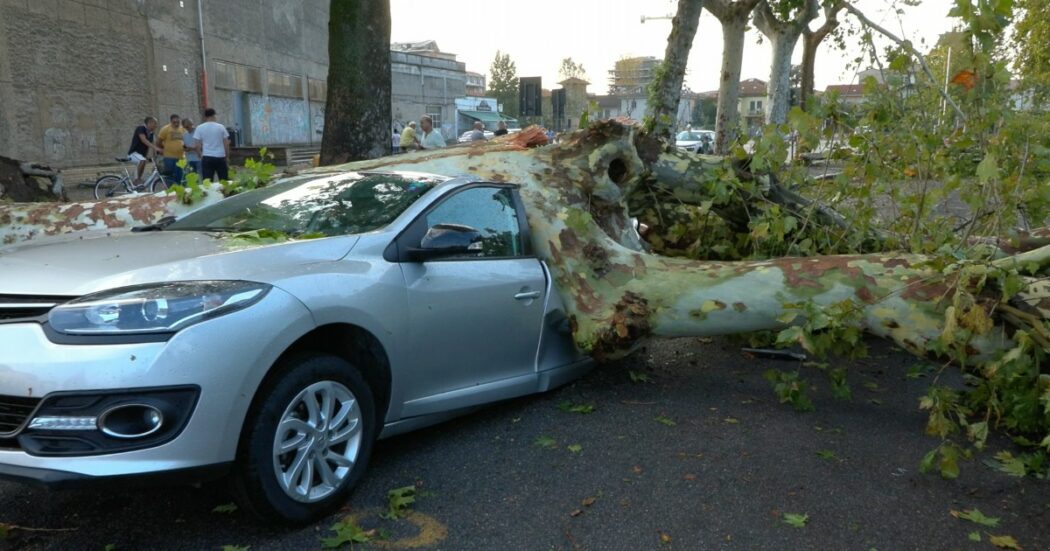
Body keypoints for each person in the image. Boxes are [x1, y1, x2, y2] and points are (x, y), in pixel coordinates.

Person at [194, 108, 230, 182]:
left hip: (207, 156)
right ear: (214, 115)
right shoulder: (221, 127)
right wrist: (227, 156)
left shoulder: (199, 128)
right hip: (220, 156)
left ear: (205, 116)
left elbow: (197, 145)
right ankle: (225, 193)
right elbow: (226, 144)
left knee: (208, 182)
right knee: (224, 180)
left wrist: (200, 155)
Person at [127, 116, 162, 185]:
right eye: (155, 123)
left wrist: (156, 155)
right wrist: (156, 148)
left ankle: (137, 181)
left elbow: (153, 144)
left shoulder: (151, 133)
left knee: (143, 161)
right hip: (133, 154)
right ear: (149, 123)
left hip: (141, 155)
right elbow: (144, 140)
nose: (156, 125)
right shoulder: (141, 128)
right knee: (142, 160)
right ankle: (137, 180)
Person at [155, 114, 185, 184]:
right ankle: (171, 191)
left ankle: (178, 191)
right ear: (171, 121)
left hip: (181, 157)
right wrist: (161, 150)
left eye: (178, 122)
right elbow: (158, 141)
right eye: (174, 122)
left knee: (179, 176)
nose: (176, 124)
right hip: (169, 157)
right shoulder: (165, 129)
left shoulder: (183, 129)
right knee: (169, 176)